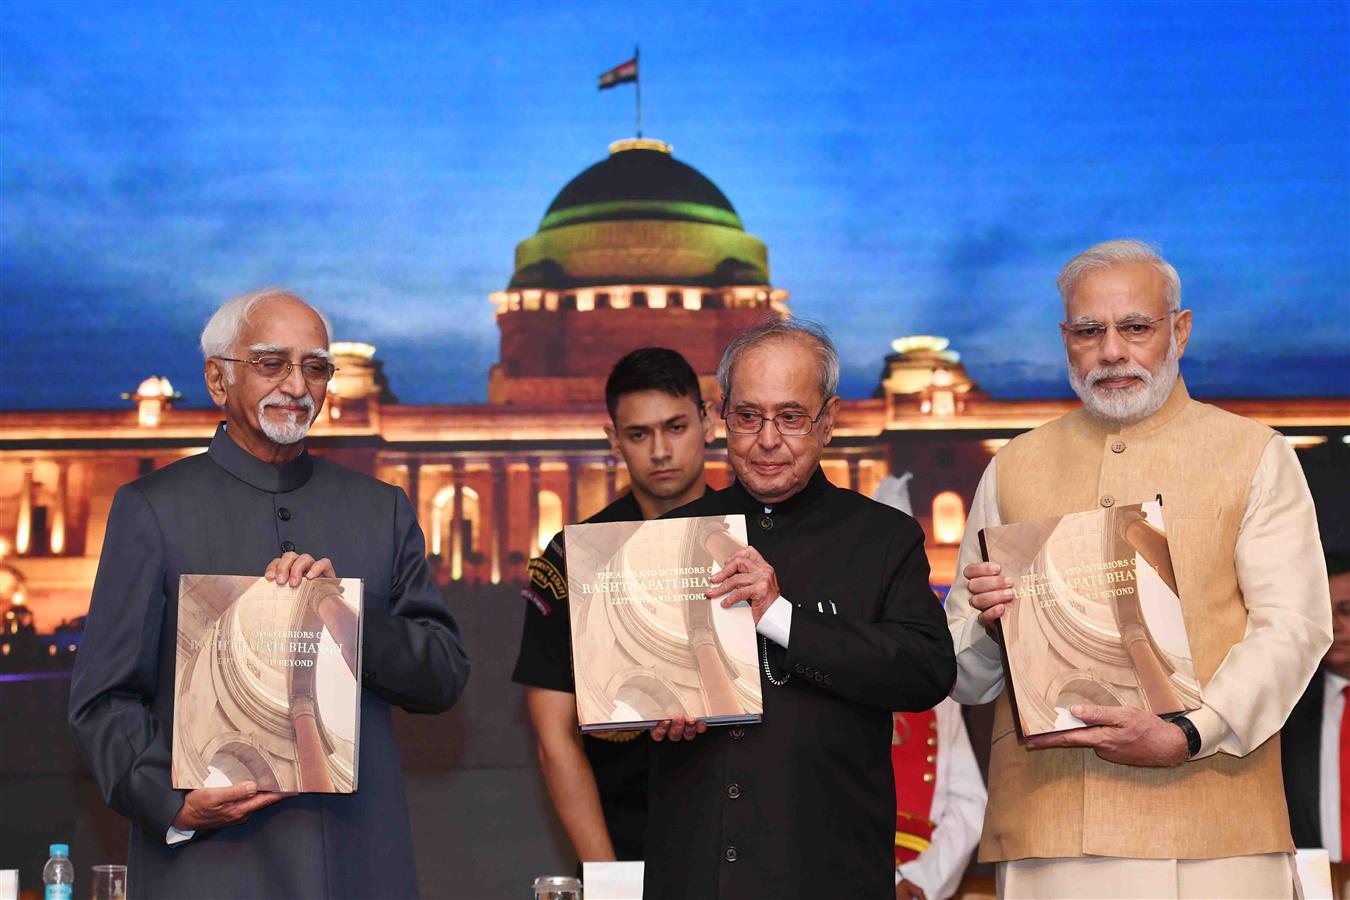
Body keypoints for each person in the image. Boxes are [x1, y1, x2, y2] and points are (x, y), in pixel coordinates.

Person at [946, 239, 1332, 898]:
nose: (1111, 352)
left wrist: (1191, 732)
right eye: (1088, 331)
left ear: (1179, 331)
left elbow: (1293, 629)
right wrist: (990, 627)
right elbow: (963, 675)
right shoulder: (1013, 466)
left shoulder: (1253, 454)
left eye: (1135, 328)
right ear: (1066, 340)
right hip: (1049, 831)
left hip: (1214, 828)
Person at [68, 288, 470, 899]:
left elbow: (442, 676)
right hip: (210, 866)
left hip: (355, 861)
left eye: (316, 367)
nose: (297, 385)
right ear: (217, 379)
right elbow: (104, 697)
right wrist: (172, 801)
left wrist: (346, 618)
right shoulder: (153, 509)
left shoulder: (379, 510)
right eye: (271, 363)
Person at [643, 318, 956, 900]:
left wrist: (779, 616)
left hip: (829, 873)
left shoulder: (883, 538)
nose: (767, 440)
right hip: (695, 871)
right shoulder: (667, 538)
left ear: (828, 421)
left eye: (790, 417)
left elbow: (927, 671)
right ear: (722, 417)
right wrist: (653, 713)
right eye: (748, 416)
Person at [512, 347, 715, 863]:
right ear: (614, 440)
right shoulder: (571, 559)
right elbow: (555, 737)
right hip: (629, 841)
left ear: (708, 422)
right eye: (639, 434)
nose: (661, 451)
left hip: (759, 845)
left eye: (676, 427)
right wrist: (608, 880)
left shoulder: (760, 543)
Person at [1282, 552, 1350, 893]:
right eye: (1322, 611)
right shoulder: (1285, 709)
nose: (1334, 625)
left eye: (1346, 610)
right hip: (1315, 882)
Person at [892, 697, 987, 900]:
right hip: (847, 872)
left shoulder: (942, 700)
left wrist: (921, 879)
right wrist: (890, 880)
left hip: (918, 882)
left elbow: (969, 806)